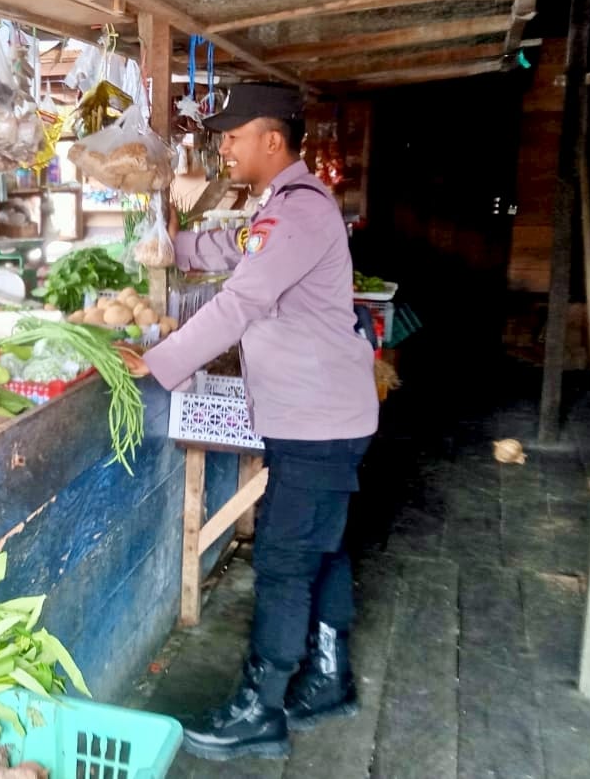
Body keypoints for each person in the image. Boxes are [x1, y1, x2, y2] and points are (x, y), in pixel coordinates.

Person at [123, 83, 378, 762]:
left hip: (317, 419)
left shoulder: (298, 212)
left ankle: (259, 710)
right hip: (321, 414)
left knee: (283, 563)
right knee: (322, 549)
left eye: (232, 136)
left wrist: (161, 360)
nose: (223, 147)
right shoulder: (282, 209)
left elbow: (240, 302)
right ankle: (327, 679)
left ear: (273, 139)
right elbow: (236, 249)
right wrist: (172, 247)